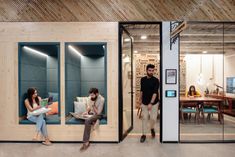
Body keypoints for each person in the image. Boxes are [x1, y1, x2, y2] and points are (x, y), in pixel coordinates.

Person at [137, 64, 160, 143]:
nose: (151, 72)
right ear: (146, 70)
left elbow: (155, 92)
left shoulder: (156, 80)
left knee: (153, 118)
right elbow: (141, 90)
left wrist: (151, 103)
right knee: (144, 118)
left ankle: (152, 128)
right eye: (150, 70)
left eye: (152, 70)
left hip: (154, 103)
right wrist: (139, 99)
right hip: (144, 102)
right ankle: (143, 135)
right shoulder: (142, 79)